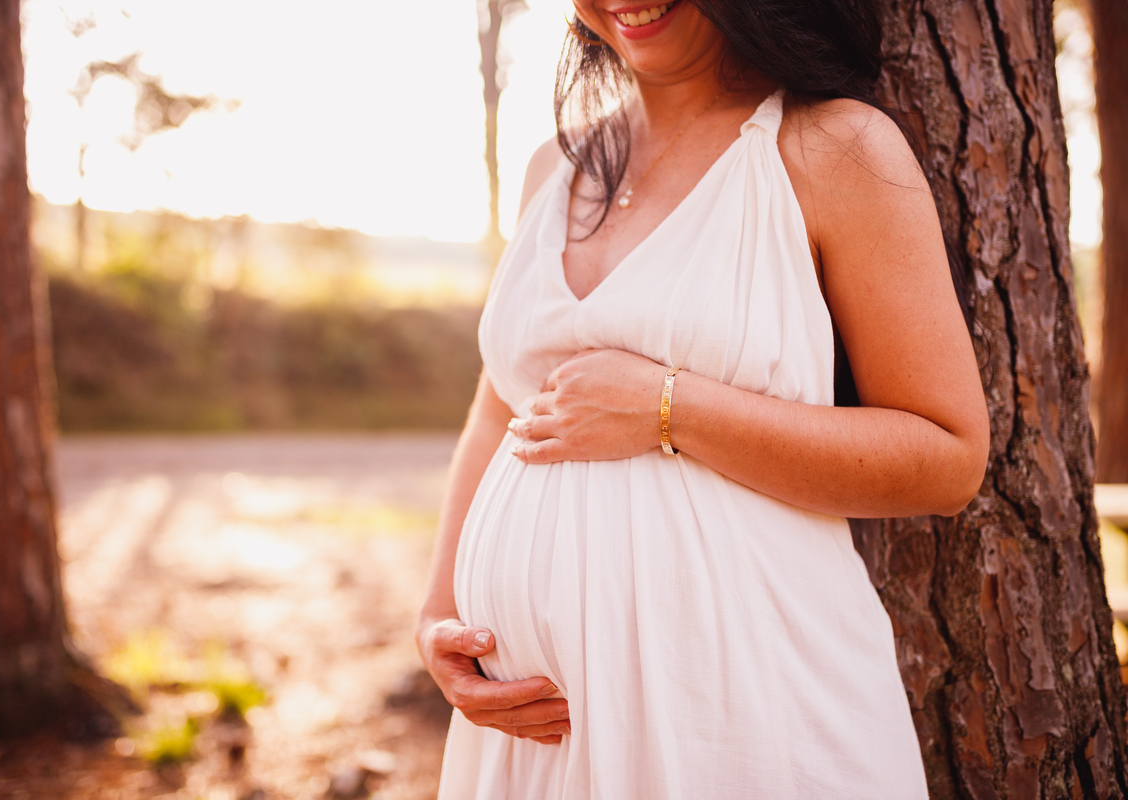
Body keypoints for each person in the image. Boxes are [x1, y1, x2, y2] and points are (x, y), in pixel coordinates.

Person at [417, 0, 989, 796]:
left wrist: (668, 407)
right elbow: (501, 410)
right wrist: (437, 615)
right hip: (540, 734)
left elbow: (947, 455)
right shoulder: (552, 166)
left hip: (741, 712)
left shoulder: (831, 148)